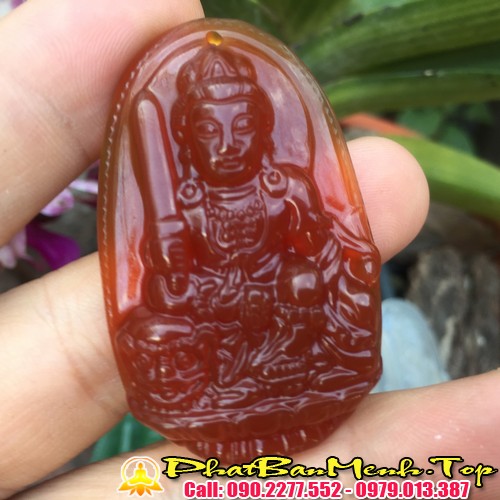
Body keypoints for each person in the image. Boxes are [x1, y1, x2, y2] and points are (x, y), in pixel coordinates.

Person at [0, 0, 497, 498]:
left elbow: (324, 248)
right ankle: (227, 391)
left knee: (305, 281)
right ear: (185, 139)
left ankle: (287, 377)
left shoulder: (285, 188)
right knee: (155, 324)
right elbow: (165, 286)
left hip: (285, 310)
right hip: (216, 310)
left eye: (242, 128)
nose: (227, 144)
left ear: (263, 129)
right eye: (208, 131)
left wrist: (340, 261)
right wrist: (181, 278)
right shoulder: (185, 206)